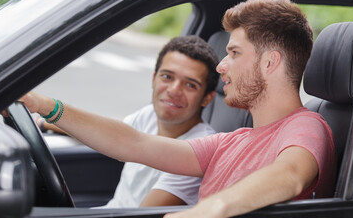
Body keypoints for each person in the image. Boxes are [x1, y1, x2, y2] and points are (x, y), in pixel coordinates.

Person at [18, 0, 335, 218]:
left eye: (235, 53)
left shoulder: (305, 126)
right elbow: (134, 143)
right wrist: (44, 105)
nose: (222, 65)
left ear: (269, 62)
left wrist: (206, 211)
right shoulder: (231, 141)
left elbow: (290, 174)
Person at [29, 35, 220, 208]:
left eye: (190, 85)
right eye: (167, 77)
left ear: (207, 98)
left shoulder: (197, 154)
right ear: (154, 79)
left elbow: (144, 214)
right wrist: (42, 119)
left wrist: (46, 106)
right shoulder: (149, 115)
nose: (174, 90)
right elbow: (109, 132)